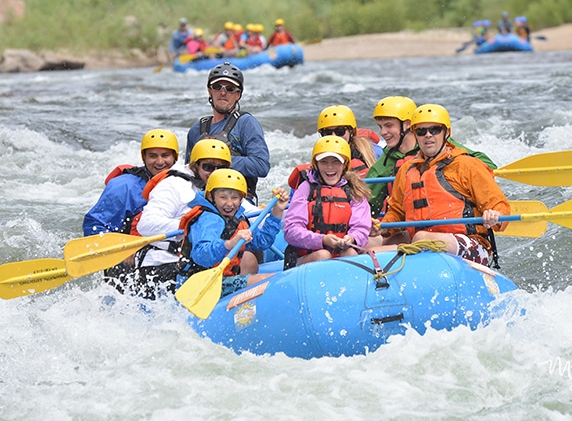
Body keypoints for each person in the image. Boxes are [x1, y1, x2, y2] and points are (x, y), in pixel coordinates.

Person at [372, 104, 510, 268]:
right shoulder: (406, 170)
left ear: (447, 133)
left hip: (471, 245)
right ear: (415, 135)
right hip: (423, 242)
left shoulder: (467, 165)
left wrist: (494, 215)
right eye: (421, 131)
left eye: (435, 130)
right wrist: (383, 228)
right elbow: (397, 211)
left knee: (421, 237)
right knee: (370, 242)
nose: (428, 135)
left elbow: (500, 205)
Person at [365, 96, 497, 219]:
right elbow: (366, 200)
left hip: (447, 220)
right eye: (380, 127)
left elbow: (487, 165)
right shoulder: (386, 161)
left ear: (407, 125)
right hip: (411, 223)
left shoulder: (441, 144)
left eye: (389, 126)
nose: (382, 132)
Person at [133, 139, 233, 299]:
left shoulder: (221, 186)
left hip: (196, 262)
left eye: (220, 168)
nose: (214, 172)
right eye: (208, 167)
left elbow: (247, 212)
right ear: (195, 165)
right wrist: (191, 226)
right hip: (163, 263)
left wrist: (278, 212)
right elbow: (145, 225)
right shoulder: (172, 185)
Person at [82, 129, 179, 293]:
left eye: (165, 155)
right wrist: (122, 248)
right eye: (153, 156)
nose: (160, 162)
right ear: (144, 158)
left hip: (167, 259)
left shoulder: (183, 183)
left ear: (175, 158)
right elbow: (94, 227)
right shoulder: (123, 187)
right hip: (125, 263)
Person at [177, 169, 288, 297]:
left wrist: (277, 211)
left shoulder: (237, 218)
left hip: (221, 279)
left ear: (241, 199)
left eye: (235, 197)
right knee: (272, 281)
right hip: (200, 284)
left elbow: (262, 242)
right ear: (211, 197)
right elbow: (201, 256)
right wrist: (229, 244)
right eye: (223, 197)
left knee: (269, 274)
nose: (229, 203)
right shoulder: (208, 219)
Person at [185, 62, 270, 204]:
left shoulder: (246, 123)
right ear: (209, 91)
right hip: (203, 199)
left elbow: (261, 166)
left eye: (230, 89)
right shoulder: (196, 130)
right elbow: (188, 173)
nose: (223, 93)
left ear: (238, 95)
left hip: (238, 201)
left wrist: (219, 161)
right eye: (217, 87)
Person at [283, 136, 372, 267]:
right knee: (323, 255)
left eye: (336, 162)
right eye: (324, 162)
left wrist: (352, 238)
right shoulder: (305, 189)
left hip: (340, 252)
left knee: (350, 253)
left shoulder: (354, 191)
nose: (330, 167)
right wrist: (322, 240)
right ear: (316, 165)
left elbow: (361, 228)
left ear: (344, 165)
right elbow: (291, 230)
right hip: (307, 257)